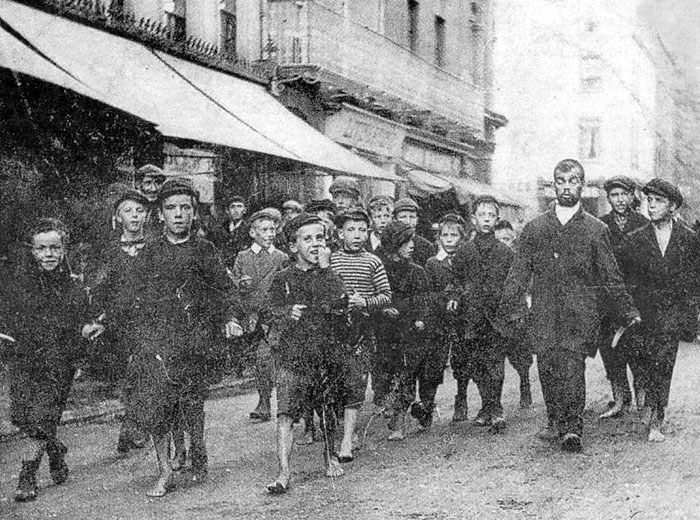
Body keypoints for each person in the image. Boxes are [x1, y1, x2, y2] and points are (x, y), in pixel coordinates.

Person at [499, 159, 639, 453]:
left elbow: (610, 275)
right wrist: (511, 308)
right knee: (548, 367)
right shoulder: (536, 228)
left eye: (572, 181)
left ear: (582, 185)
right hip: (544, 314)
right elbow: (518, 273)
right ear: (554, 186)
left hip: (580, 315)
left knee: (573, 368)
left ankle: (572, 427)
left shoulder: (595, 229)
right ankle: (555, 420)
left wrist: (627, 311)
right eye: (560, 181)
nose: (566, 187)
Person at [127, 178, 243, 496]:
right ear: (160, 214)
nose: (178, 214)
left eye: (185, 208)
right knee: (158, 407)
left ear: (194, 213)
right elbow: (133, 297)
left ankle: (197, 448)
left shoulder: (204, 250)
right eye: (171, 208)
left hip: (196, 340)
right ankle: (164, 471)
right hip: (159, 341)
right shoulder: (150, 252)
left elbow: (225, 289)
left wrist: (231, 318)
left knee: (192, 404)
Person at [0, 218, 104, 502]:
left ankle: (27, 476)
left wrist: (86, 333)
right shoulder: (19, 286)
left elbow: (83, 323)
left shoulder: (74, 288)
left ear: (63, 250)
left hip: (59, 363)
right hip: (25, 361)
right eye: (41, 248)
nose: (48, 254)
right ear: (32, 251)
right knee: (22, 417)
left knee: (43, 418)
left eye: (55, 248)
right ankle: (55, 450)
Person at [266, 213, 350, 494]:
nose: (315, 244)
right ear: (293, 246)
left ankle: (330, 456)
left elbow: (340, 304)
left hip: (324, 353)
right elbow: (268, 310)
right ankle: (283, 472)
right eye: (307, 239)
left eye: (320, 238)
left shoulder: (330, 275)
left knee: (326, 408)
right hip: (292, 355)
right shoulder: (283, 278)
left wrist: (325, 271)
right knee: (285, 414)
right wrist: (286, 312)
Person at [617, 179, 700, 442]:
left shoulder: (688, 239)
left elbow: (694, 280)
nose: (651, 206)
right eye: (649, 200)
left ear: (673, 206)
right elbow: (623, 279)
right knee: (642, 363)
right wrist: (628, 311)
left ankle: (657, 417)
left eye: (658, 201)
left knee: (663, 365)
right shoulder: (635, 240)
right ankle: (646, 398)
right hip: (642, 316)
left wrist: (690, 315)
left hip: (671, 316)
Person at [89, 188, 151, 455]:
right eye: (128, 211)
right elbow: (99, 288)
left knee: (145, 372)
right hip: (119, 324)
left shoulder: (156, 247)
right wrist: (100, 318)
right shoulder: (109, 252)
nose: (134, 216)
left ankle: (134, 426)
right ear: (118, 217)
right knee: (129, 375)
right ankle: (133, 423)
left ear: (147, 216)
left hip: (150, 321)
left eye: (139, 211)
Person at [330, 207, 392, 460]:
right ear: (340, 233)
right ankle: (345, 430)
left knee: (355, 383)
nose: (356, 235)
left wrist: (365, 302)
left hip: (361, 331)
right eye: (350, 230)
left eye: (362, 230)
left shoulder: (373, 261)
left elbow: (386, 296)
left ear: (368, 233)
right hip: (333, 331)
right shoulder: (331, 260)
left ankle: (347, 440)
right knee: (335, 384)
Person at [451, 196, 514, 431]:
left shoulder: (505, 253)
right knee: (477, 365)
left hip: (497, 318)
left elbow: (513, 284)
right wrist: (454, 298)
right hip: (472, 317)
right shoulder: (464, 252)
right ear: (473, 218)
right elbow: (455, 281)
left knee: (495, 364)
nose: (486, 219)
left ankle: (495, 408)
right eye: (482, 215)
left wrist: (511, 310)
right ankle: (486, 406)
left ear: (497, 219)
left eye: (491, 215)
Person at [597, 176, 650, 418]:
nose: (619, 200)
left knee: (639, 350)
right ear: (608, 198)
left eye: (624, 195)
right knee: (611, 351)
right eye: (614, 195)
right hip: (609, 301)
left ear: (631, 196)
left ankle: (643, 398)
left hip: (636, 298)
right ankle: (620, 398)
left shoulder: (643, 224)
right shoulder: (601, 225)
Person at [374, 221, 429, 440]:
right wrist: (383, 309)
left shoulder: (416, 272)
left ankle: (400, 423)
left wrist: (419, 319)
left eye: (412, 241)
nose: (411, 246)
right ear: (394, 244)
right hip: (385, 330)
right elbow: (375, 295)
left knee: (405, 375)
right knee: (386, 375)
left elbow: (422, 301)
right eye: (406, 242)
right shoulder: (380, 269)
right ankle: (399, 409)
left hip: (408, 331)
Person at [232, 210, 289, 422]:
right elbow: (234, 285)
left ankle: (270, 404)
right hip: (252, 318)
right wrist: (240, 285)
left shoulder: (281, 257)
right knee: (258, 362)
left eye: (272, 229)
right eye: (264, 230)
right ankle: (264, 399)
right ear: (252, 233)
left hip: (274, 318)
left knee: (267, 359)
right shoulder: (243, 257)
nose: (269, 234)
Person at [419, 213, 465, 427]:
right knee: (435, 364)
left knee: (462, 362)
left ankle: (461, 399)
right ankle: (427, 405)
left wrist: (458, 297)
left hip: (462, 319)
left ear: (461, 237)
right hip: (439, 321)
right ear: (438, 238)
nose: (449, 239)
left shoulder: (465, 260)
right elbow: (428, 292)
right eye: (445, 235)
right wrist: (444, 299)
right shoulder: (432, 263)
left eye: (454, 235)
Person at [494, 218, 533, 409]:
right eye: (499, 240)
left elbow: (528, 285)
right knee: (495, 360)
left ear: (513, 240)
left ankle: (525, 384)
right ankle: (494, 402)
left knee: (520, 357)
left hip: (515, 314)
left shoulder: (519, 260)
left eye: (507, 239)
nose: (503, 244)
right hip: (495, 316)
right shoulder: (490, 261)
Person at [209, 195, 251, 269]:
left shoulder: (250, 231)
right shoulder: (218, 230)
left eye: (239, 206)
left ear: (245, 210)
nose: (236, 210)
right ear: (227, 210)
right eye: (232, 207)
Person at [393, 198, 436, 266]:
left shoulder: (426, 246)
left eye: (412, 217)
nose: (408, 221)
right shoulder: (389, 244)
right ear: (394, 219)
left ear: (417, 220)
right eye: (403, 217)